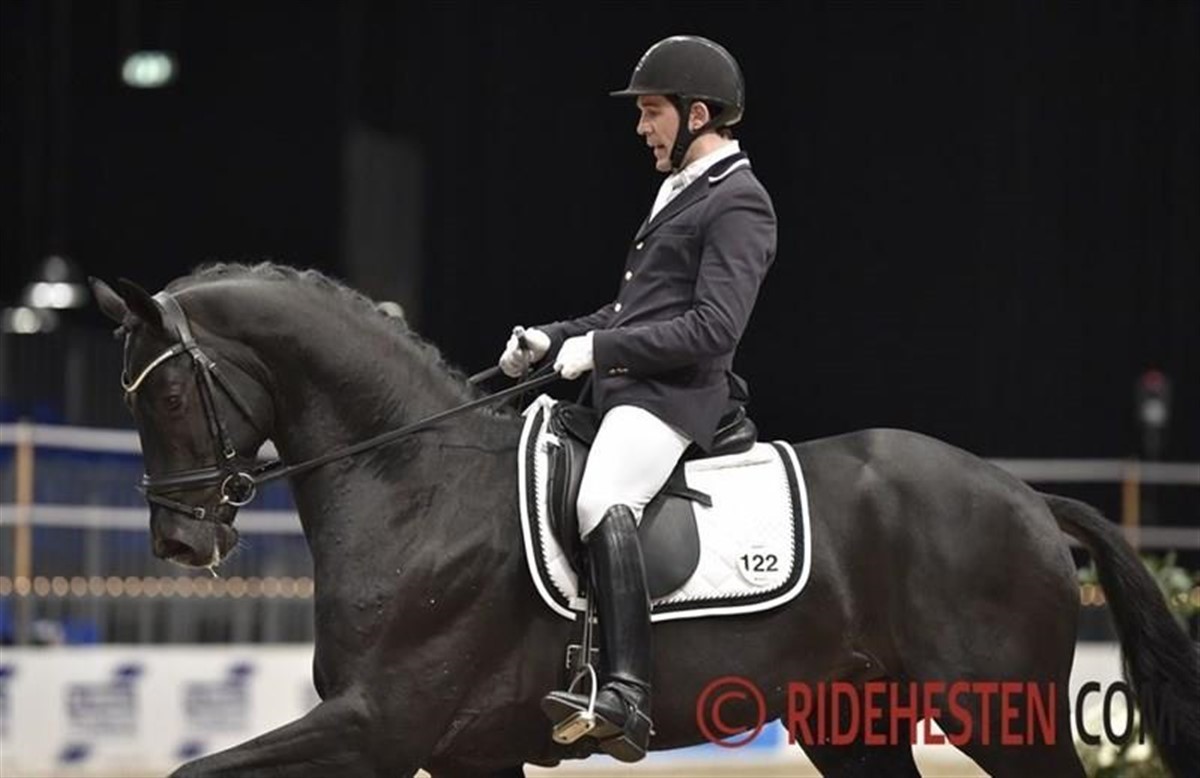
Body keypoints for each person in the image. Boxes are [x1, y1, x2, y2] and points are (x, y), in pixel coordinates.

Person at [497, 34, 777, 761]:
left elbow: (714, 328)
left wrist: (601, 352)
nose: (641, 127)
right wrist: (553, 339)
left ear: (697, 115)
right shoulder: (680, 190)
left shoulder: (739, 201)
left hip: (675, 399)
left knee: (601, 499)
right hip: (628, 391)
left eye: (652, 111)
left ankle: (624, 693)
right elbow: (628, 315)